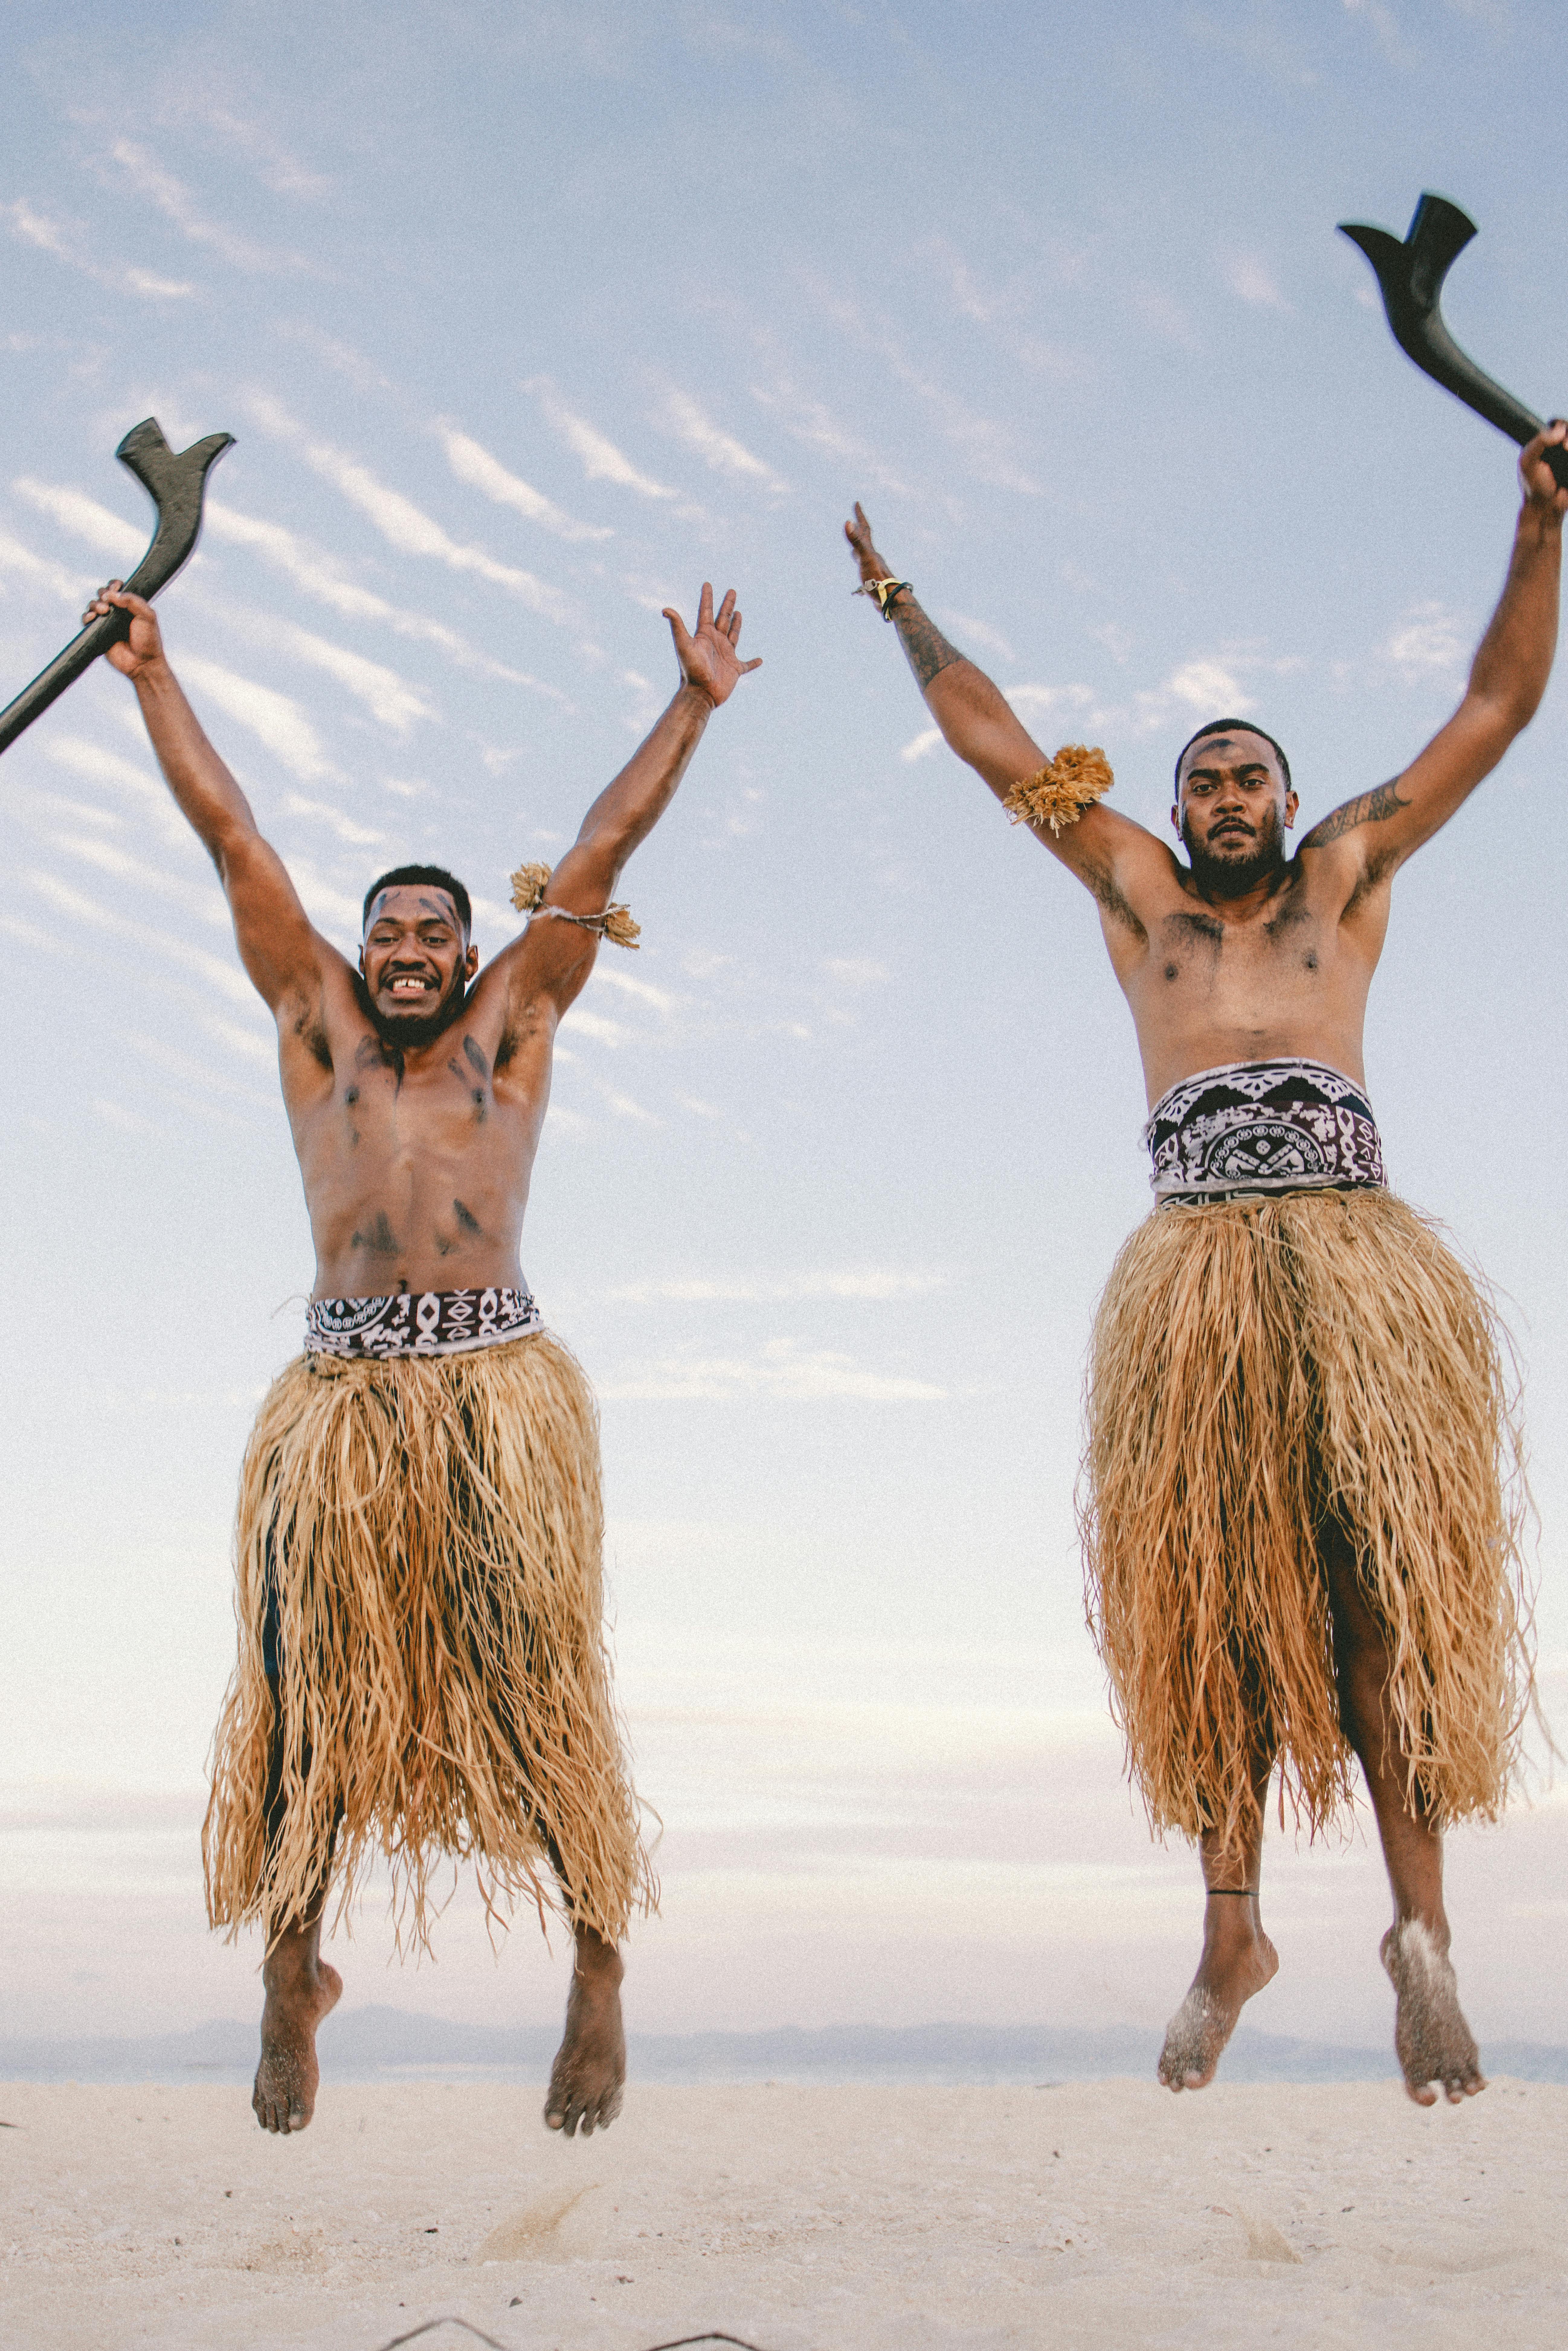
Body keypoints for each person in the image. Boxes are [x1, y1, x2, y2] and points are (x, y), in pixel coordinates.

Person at [842, 418, 1566, 2107]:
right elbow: (988, 738)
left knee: (1382, 1590)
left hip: (1353, 1266)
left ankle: (1421, 1935)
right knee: (1217, 1609)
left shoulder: (1346, 875)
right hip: (1192, 1285)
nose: (1228, 796)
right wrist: (900, 605)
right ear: (1169, 804)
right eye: (1203, 778)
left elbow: (1493, 710)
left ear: (1292, 798)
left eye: (1251, 774)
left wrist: (1538, 527)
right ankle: (1229, 1928)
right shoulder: (1136, 894)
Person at [84, 574, 761, 2139]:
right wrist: (153, 679)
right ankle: (290, 1974)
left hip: (497, 1396)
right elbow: (237, 840)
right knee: (302, 1688)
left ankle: (597, 1965)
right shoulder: (313, 1019)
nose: (401, 951)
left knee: (539, 1680)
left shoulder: (509, 1028)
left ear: (466, 953)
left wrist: (692, 705)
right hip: (336, 1404)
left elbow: (596, 853)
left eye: (429, 934)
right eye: (384, 930)